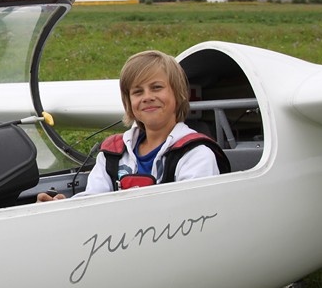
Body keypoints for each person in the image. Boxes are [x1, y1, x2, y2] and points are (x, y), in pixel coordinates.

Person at [37, 50, 226, 202]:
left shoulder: (196, 154)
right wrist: (62, 207)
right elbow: (93, 201)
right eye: (137, 91)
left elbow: (194, 215)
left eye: (156, 87)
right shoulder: (112, 153)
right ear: (129, 102)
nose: (147, 97)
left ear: (178, 94)